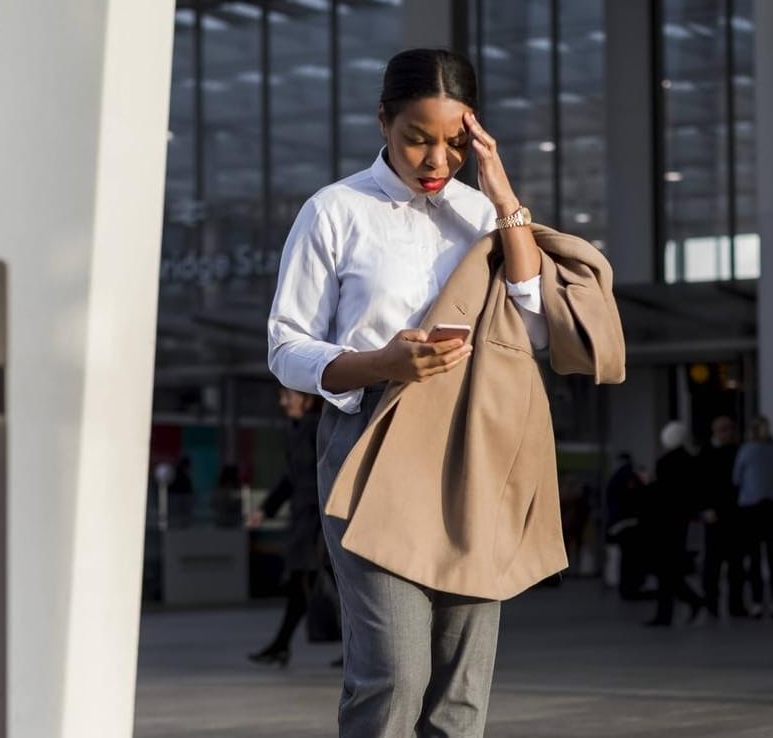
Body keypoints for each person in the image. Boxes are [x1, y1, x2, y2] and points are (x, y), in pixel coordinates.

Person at [267, 48, 624, 737]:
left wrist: (502, 195)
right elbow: (286, 347)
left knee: (461, 693)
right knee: (393, 675)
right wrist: (379, 363)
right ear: (382, 122)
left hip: (474, 446)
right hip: (371, 439)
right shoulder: (335, 211)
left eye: (456, 142)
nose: (436, 159)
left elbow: (536, 329)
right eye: (416, 138)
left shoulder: (484, 215)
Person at [245, 387, 330, 666]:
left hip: (319, 520)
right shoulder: (297, 430)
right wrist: (265, 509)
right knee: (300, 583)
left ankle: (282, 645)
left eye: (288, 397)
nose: (283, 403)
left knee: (319, 583)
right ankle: (280, 645)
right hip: (304, 520)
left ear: (307, 398)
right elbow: (290, 479)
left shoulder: (319, 428)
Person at [643, 421, 705, 627]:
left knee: (665, 570)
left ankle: (677, 608)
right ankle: (688, 603)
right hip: (681, 522)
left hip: (664, 523)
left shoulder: (665, 462)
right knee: (671, 569)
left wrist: (648, 484)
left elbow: (660, 494)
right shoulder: (691, 461)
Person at [698, 415, 746, 617]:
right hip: (715, 514)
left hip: (734, 514)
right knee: (713, 564)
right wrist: (705, 508)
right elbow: (700, 484)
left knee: (736, 563)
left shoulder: (737, 451)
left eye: (730, 429)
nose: (728, 433)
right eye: (724, 429)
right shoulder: (706, 453)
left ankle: (736, 605)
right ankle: (712, 604)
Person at [733, 415, 773, 618]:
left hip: (751, 509)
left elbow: (736, 478)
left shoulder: (746, 451)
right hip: (770, 506)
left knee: (754, 558)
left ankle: (757, 602)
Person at [605, 452, 651, 600]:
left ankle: (627, 588)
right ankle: (632, 587)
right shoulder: (631, 477)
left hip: (619, 524)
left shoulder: (615, 477)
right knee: (633, 558)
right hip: (630, 523)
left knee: (625, 558)